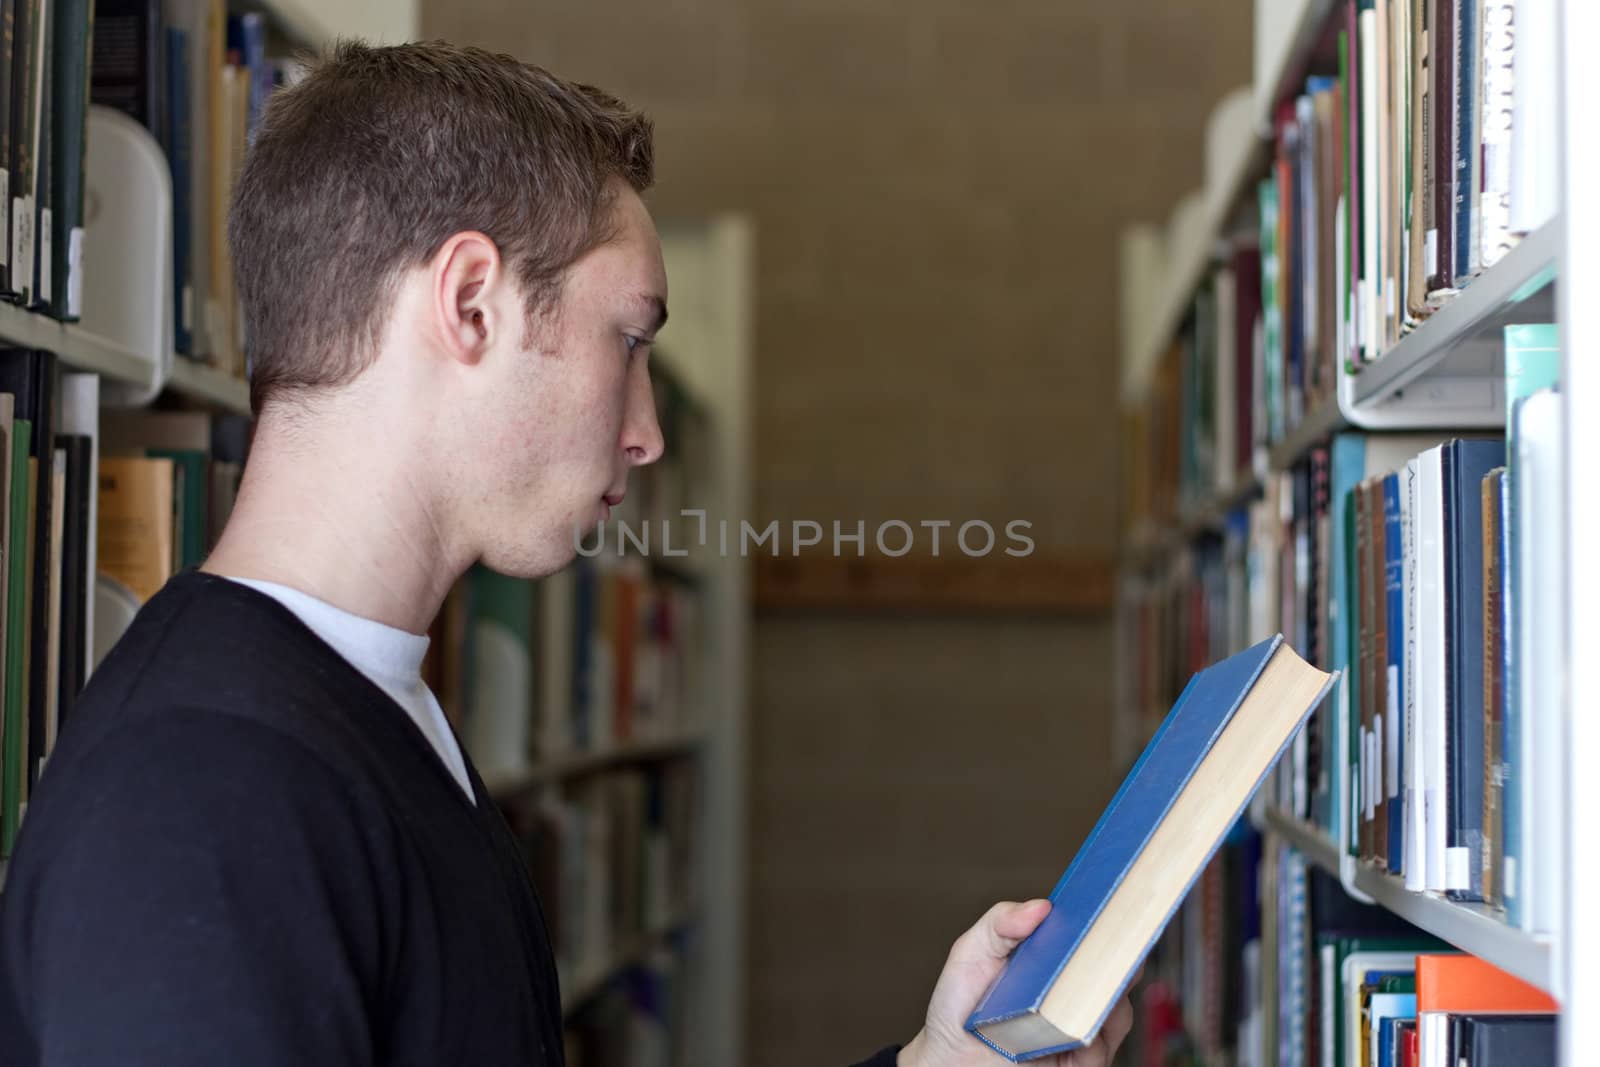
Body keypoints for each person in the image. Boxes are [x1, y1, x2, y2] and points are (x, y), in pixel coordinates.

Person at [0, 40, 1133, 1067]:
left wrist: (939, 1063)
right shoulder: (206, 788)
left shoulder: (371, 702)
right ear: (473, 303)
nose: (643, 428)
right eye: (628, 340)